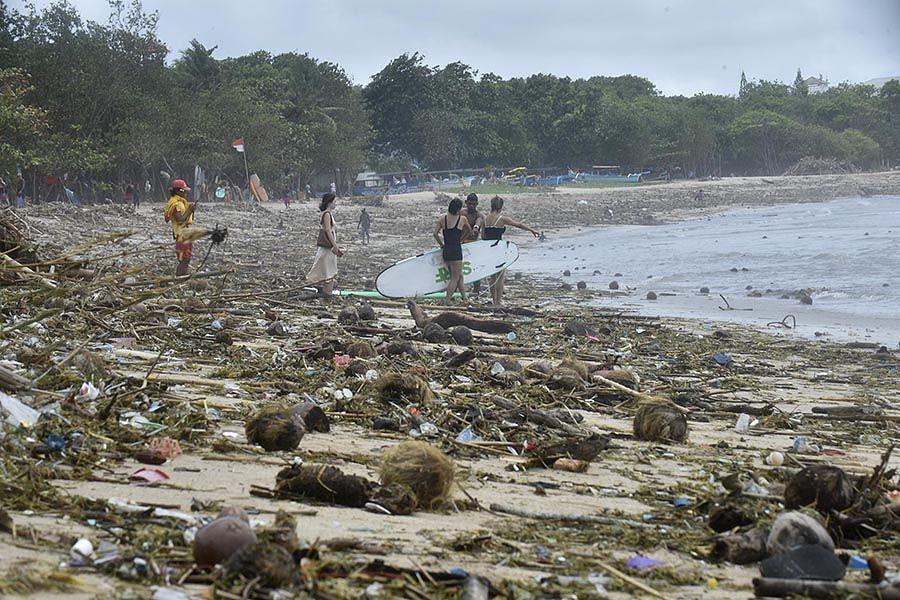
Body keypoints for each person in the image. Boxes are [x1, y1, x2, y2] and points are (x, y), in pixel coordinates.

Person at [482, 196, 541, 306]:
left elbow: (483, 236)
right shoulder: (502, 219)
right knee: (500, 277)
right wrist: (532, 230)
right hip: (499, 249)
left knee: (492, 277)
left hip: (488, 249)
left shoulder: (485, 219)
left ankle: (494, 300)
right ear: (501, 206)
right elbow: (518, 224)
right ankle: (498, 303)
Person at [433, 197, 472, 303]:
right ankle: (447, 300)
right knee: (455, 277)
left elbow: (435, 234)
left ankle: (465, 298)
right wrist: (462, 239)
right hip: (456, 250)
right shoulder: (462, 219)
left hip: (446, 249)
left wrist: (441, 244)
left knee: (459, 275)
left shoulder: (442, 218)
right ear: (458, 209)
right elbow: (469, 231)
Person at [307, 193, 343, 297]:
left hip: (328, 248)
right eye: (334, 202)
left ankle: (326, 293)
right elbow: (327, 230)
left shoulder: (328, 213)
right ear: (329, 203)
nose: (335, 204)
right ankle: (327, 293)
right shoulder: (327, 214)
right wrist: (335, 245)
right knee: (328, 270)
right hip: (327, 248)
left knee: (328, 270)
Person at [162, 179, 196, 277]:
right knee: (184, 259)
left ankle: (182, 277)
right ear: (178, 191)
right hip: (181, 236)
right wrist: (189, 210)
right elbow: (180, 220)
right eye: (184, 190)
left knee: (186, 259)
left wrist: (191, 210)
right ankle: (179, 278)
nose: (186, 193)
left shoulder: (180, 202)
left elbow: (186, 219)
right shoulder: (176, 204)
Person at [460, 193, 484, 296]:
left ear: (477, 204)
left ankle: (477, 290)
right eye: (470, 204)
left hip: (474, 245)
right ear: (466, 203)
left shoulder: (479, 215)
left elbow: (479, 222)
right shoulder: (461, 214)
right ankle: (458, 290)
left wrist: (476, 227)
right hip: (462, 244)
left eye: (474, 204)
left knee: (476, 268)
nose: (472, 206)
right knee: (459, 270)